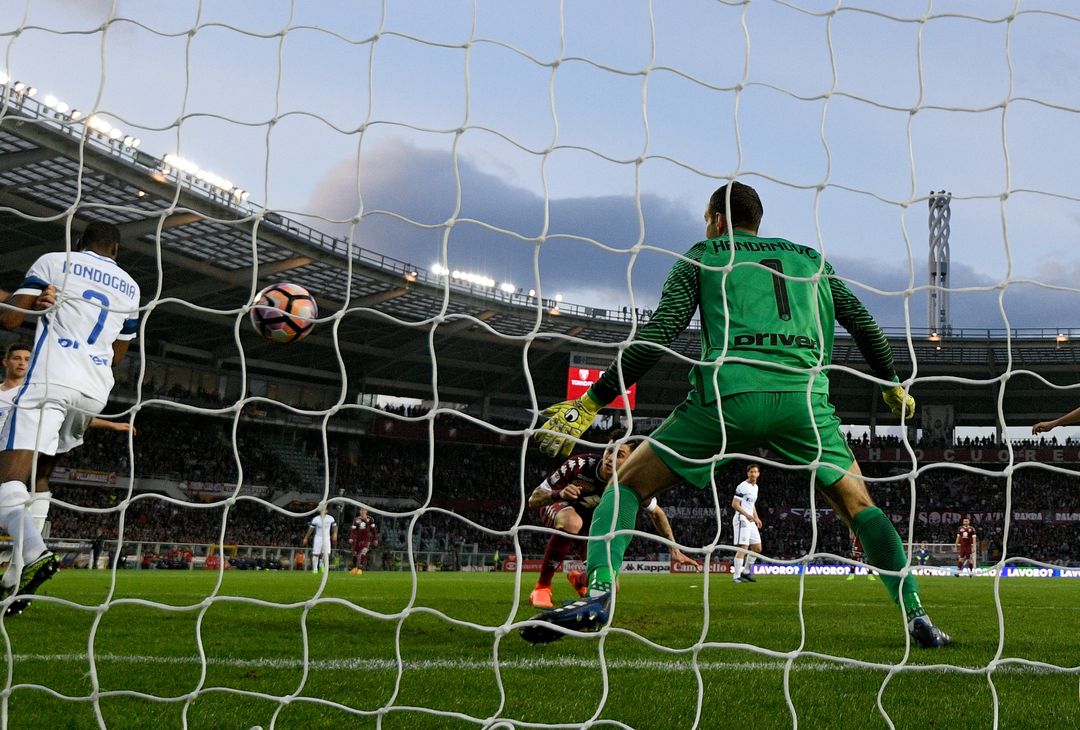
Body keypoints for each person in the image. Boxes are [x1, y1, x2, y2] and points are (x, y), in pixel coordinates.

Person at [524, 181, 948, 648]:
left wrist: (591, 402)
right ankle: (917, 615)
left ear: (718, 220)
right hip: (803, 403)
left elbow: (663, 329)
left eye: (708, 221)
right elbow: (863, 323)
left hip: (726, 400)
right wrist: (890, 382)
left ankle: (600, 594)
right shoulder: (811, 260)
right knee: (859, 506)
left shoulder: (704, 255)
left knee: (626, 484)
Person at [0, 222, 140, 616]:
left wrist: (36, 302)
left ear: (80, 243)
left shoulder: (55, 262)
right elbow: (117, 354)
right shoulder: (131, 287)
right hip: (95, 391)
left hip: (51, 380)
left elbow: (10, 321)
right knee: (40, 477)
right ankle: (12, 579)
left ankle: (36, 554)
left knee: (7, 479)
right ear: (115, 249)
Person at [526, 428, 698, 608]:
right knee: (572, 521)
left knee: (611, 585)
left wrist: (674, 548)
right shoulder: (579, 465)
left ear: (631, 461)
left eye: (620, 455)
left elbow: (657, 512)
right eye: (609, 451)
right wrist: (559, 493)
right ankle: (542, 587)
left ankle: (579, 580)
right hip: (561, 509)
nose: (610, 458)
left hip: (591, 527)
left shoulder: (631, 482)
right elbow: (534, 499)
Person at [0, 341, 135, 561]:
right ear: (6, 362)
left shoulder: (37, 392)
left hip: (20, 452)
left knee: (38, 477)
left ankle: (27, 558)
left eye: (27, 359)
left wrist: (112, 425)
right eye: (17, 358)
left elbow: (67, 415)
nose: (22, 363)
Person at [731, 463, 762, 583]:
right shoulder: (742, 486)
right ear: (747, 473)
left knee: (757, 548)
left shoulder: (756, 487)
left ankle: (746, 572)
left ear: (758, 474)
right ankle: (736, 576)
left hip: (750, 520)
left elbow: (751, 504)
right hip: (741, 518)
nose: (753, 474)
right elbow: (734, 504)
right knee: (744, 548)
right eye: (751, 472)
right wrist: (746, 515)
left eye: (755, 472)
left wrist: (756, 518)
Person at [302, 505, 337, 574]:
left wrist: (335, 534)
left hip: (327, 538)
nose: (323, 511)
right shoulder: (316, 519)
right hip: (318, 537)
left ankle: (321, 563)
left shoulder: (330, 518)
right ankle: (315, 568)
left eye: (324, 510)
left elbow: (335, 526)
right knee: (316, 553)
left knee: (327, 554)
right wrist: (306, 537)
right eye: (322, 509)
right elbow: (311, 529)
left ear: (327, 511)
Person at [348, 507, 379, 575]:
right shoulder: (356, 519)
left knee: (362, 553)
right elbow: (353, 530)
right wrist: (351, 538)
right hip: (357, 540)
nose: (362, 511)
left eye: (364, 510)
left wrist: (376, 539)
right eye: (361, 510)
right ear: (359, 511)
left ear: (366, 511)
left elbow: (374, 530)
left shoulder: (370, 519)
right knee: (355, 554)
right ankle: (354, 568)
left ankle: (360, 569)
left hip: (366, 540)